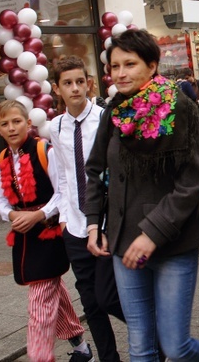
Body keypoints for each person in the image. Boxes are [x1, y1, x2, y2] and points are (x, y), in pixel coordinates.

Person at [82, 30, 199, 362]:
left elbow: (191, 182)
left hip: (172, 244)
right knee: (141, 347)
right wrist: (93, 224)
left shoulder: (181, 108)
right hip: (122, 243)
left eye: (129, 64)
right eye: (115, 66)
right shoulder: (114, 112)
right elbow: (95, 170)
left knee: (175, 346)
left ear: (152, 65)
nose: (120, 73)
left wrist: (152, 233)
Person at [0, 100, 92, 362]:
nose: (11, 128)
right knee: (52, 292)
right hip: (25, 237)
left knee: (39, 302)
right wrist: (13, 215)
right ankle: (81, 348)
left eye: (16, 122)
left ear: (28, 123)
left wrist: (38, 214)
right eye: (5, 124)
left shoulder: (43, 150)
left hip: (49, 234)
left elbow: (63, 191)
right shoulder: (1, 158)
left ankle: (40, 357)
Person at [49, 56, 125, 362]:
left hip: (105, 222)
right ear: (57, 89)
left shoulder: (105, 118)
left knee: (108, 296)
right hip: (76, 226)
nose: (75, 88)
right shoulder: (56, 127)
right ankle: (109, 358)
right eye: (67, 83)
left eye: (80, 81)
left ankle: (153, 335)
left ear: (89, 83)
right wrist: (66, 219)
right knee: (91, 303)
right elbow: (66, 176)